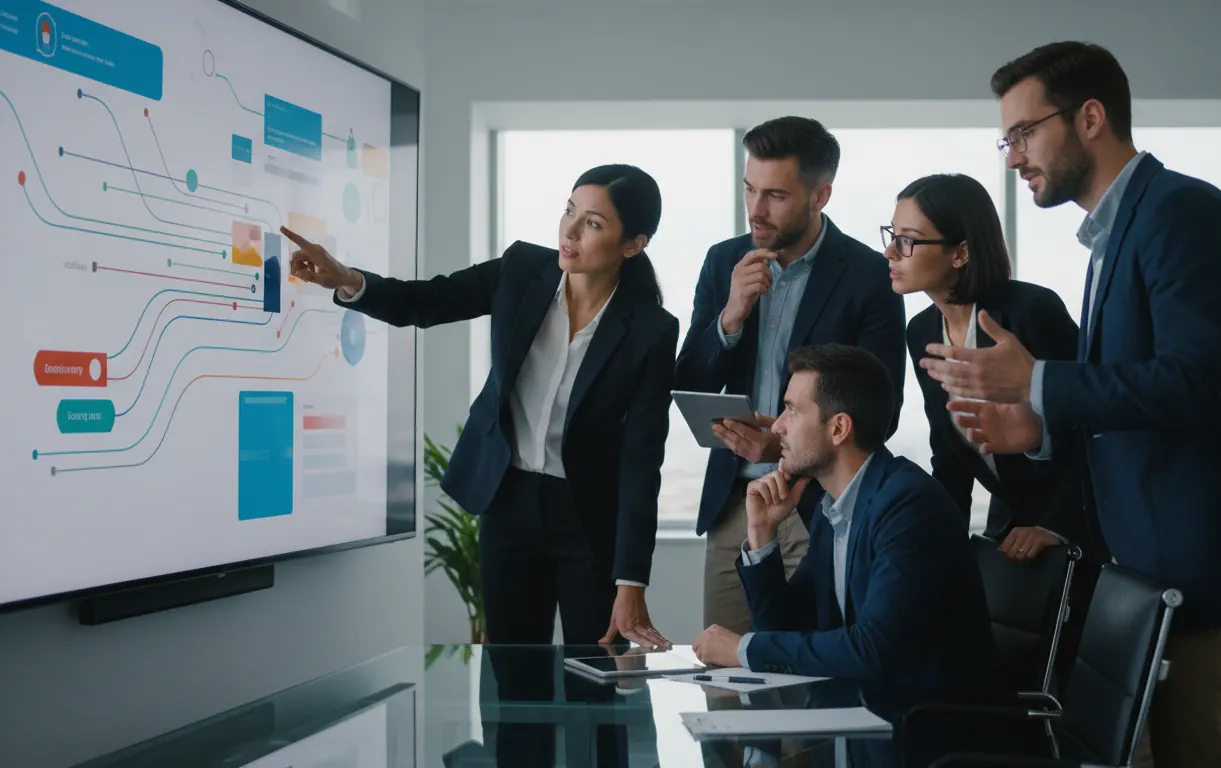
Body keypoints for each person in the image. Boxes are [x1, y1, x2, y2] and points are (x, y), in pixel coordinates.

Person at [920, 41, 1221, 768]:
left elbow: (1198, 385)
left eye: (1024, 133)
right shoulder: (1117, 234)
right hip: (1163, 568)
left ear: (1090, 118)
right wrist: (1038, 428)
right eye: (1006, 139)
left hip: (1216, 566)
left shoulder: (1182, 213)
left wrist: (1039, 381)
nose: (1013, 157)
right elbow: (1137, 395)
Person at [283, 164, 677, 651]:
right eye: (569, 211)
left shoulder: (651, 330)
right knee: (511, 670)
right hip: (507, 502)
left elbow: (642, 459)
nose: (570, 231)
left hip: (588, 518)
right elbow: (426, 301)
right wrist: (346, 278)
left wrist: (631, 581)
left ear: (633, 244)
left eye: (593, 223)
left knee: (596, 675)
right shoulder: (521, 270)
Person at [676, 116, 908, 637]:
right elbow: (690, 379)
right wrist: (729, 318)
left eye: (776, 195)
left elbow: (881, 410)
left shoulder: (869, 276)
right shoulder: (722, 261)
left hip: (821, 506)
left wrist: (783, 450)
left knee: (815, 666)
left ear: (820, 195)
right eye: (750, 189)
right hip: (735, 506)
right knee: (726, 667)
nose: (756, 209)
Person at [690, 344, 1003, 719]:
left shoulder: (908, 506)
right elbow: (785, 629)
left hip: (923, 729)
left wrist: (743, 650)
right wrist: (762, 535)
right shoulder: (834, 507)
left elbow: (874, 649)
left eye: (791, 410)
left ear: (838, 428)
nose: (776, 427)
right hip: (856, 718)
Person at [892, 172, 1088, 560]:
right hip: (1008, 527)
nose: (889, 252)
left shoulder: (1031, 311)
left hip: (1076, 525)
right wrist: (940, 545)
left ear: (960, 253)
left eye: (907, 240)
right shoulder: (922, 330)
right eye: (892, 235)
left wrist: (1057, 525)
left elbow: (1091, 430)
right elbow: (948, 455)